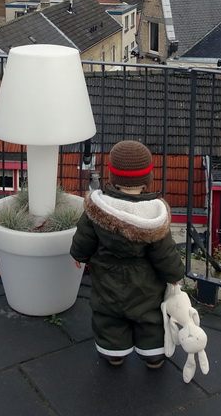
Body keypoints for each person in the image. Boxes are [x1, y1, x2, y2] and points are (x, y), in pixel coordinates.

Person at [70, 140, 185, 368]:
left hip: (107, 276)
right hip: (145, 282)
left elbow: (84, 237)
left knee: (108, 315)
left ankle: (114, 353)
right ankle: (153, 356)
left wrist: (78, 255)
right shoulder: (154, 215)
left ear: (112, 176)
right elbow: (164, 253)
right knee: (150, 317)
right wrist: (175, 274)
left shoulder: (97, 207)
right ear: (147, 178)